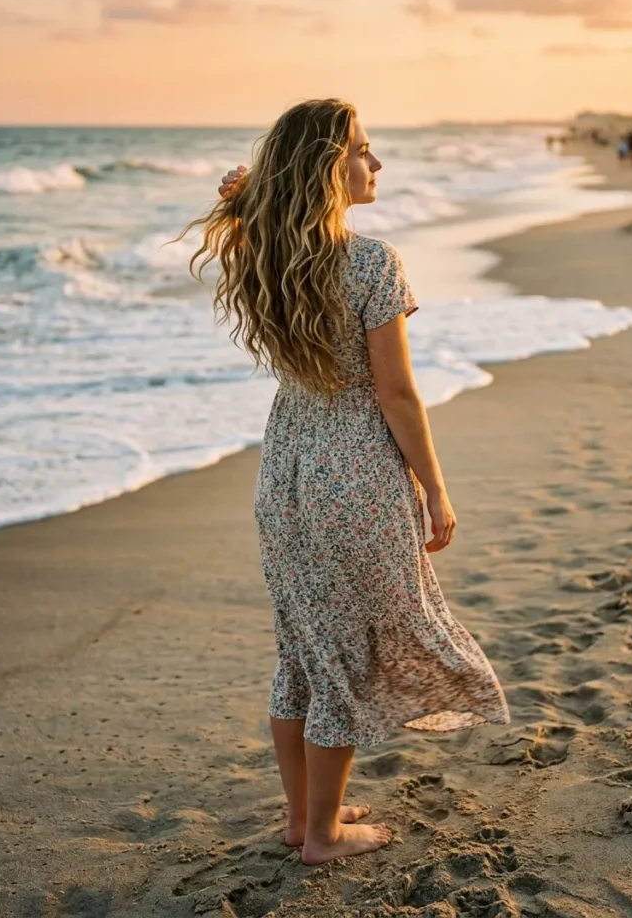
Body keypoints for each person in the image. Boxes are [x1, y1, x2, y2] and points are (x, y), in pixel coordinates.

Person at [175, 99, 510, 866]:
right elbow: (395, 394)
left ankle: (302, 816)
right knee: (342, 661)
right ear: (328, 168)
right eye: (362, 150)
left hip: (287, 472)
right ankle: (323, 836)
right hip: (354, 475)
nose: (376, 163)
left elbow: (242, 208)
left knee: (303, 652)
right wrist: (434, 487)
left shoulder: (266, 254)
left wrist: (248, 192)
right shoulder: (368, 262)